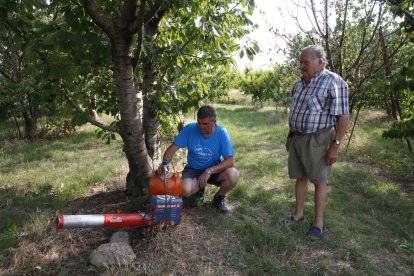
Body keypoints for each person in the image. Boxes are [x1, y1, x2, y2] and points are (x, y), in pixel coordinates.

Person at [282, 45, 349, 239]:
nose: (302, 66)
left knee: (319, 180)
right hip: (297, 137)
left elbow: (343, 117)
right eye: (300, 62)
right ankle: (298, 215)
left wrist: (334, 145)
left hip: (318, 139)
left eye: (306, 62)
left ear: (320, 62)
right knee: (300, 177)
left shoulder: (334, 82)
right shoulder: (299, 83)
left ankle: (318, 224)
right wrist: (290, 136)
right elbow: (295, 112)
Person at [158, 105, 239, 214]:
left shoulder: (221, 133)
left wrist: (208, 171)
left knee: (233, 174)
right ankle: (199, 189)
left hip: (213, 170)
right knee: (185, 191)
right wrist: (164, 164)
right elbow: (172, 148)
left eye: (205, 124)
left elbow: (230, 161)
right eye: (199, 123)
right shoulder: (190, 129)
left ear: (214, 121)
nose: (201, 127)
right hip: (193, 170)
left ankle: (219, 199)